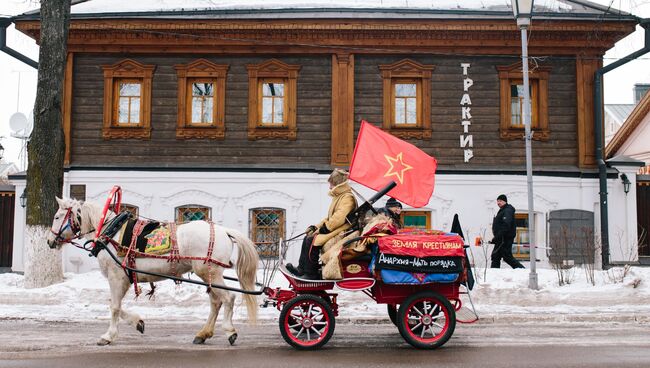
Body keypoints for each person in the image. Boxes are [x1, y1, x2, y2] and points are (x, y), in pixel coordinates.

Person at [286, 169, 357, 279]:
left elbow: (339, 218)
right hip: (335, 228)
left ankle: (311, 273)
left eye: (331, 183)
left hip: (342, 231)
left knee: (313, 240)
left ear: (337, 183)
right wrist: (315, 227)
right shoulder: (339, 196)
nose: (329, 187)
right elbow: (329, 217)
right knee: (307, 237)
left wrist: (326, 228)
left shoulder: (347, 197)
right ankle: (302, 269)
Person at [490, 194, 525, 269]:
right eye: (497, 201)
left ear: (504, 201)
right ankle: (494, 273)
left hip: (505, 239)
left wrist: (498, 237)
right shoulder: (502, 210)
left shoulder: (507, 210)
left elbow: (506, 225)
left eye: (500, 201)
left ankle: (522, 270)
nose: (498, 203)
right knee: (495, 256)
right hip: (500, 239)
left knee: (507, 257)